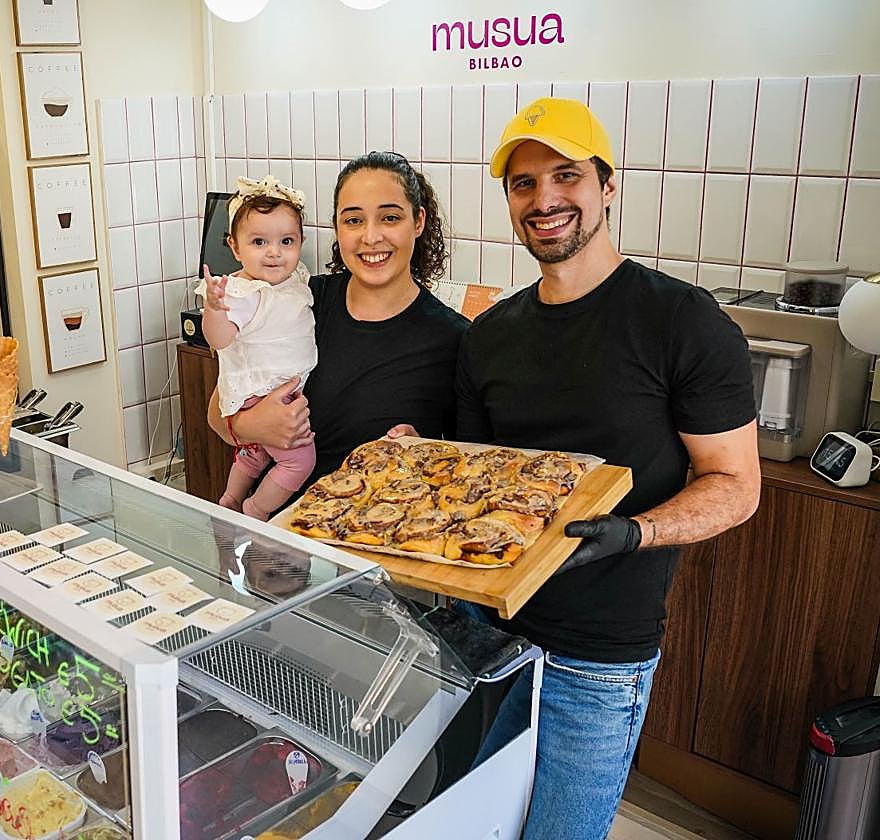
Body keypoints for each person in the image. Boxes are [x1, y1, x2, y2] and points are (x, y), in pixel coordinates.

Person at [455, 98, 762, 839]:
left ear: (607, 185)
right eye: (523, 184)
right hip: (491, 636)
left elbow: (736, 485)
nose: (545, 199)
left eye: (566, 176)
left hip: (597, 659)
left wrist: (633, 534)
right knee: (472, 824)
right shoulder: (489, 336)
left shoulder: (682, 321)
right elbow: (476, 478)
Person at [206, 152, 468, 492]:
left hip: (371, 536)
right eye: (354, 220)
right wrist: (251, 426)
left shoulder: (454, 339)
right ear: (337, 228)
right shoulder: (299, 302)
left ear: (418, 222)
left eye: (390, 218)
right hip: (276, 533)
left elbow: (464, 467)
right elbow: (216, 415)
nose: (371, 237)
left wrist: (423, 455)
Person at [197, 175, 317, 521]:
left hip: (274, 392)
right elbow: (219, 340)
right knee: (299, 460)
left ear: (300, 242)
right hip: (258, 391)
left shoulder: (294, 281)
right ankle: (255, 511)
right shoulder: (244, 292)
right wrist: (214, 310)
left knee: (258, 452)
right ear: (235, 248)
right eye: (259, 242)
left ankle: (232, 497)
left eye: (286, 241)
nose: (274, 252)